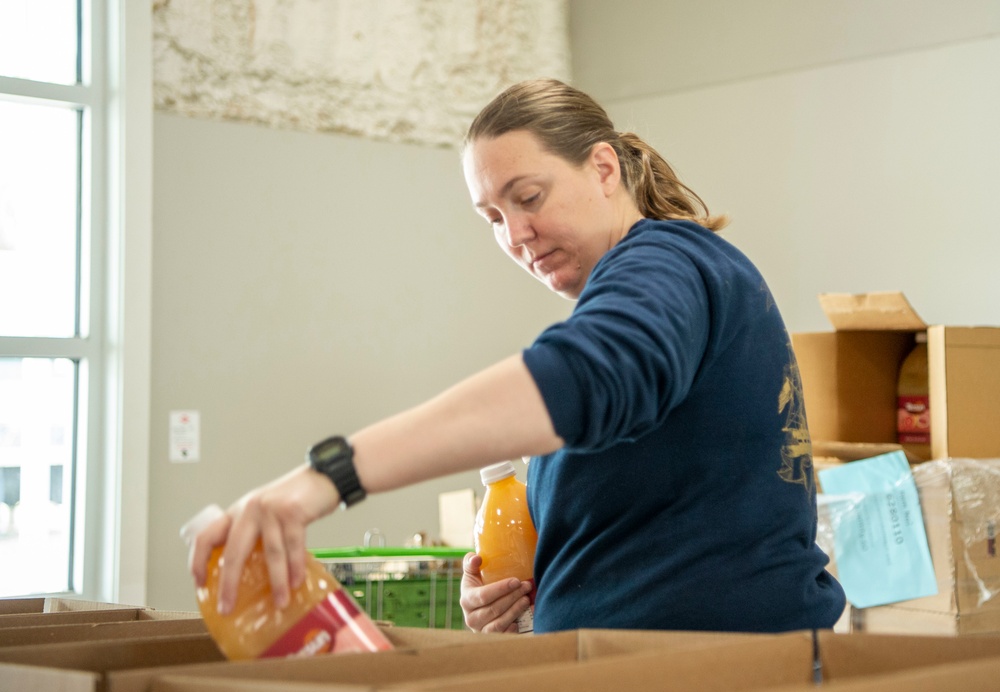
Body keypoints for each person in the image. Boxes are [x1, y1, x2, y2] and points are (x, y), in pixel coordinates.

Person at [188, 78, 846, 635]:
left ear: (604, 168)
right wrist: (530, 595)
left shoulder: (668, 262)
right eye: (493, 218)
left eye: (528, 198)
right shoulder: (630, 300)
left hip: (718, 674)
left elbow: (582, 377)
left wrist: (327, 477)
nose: (517, 234)